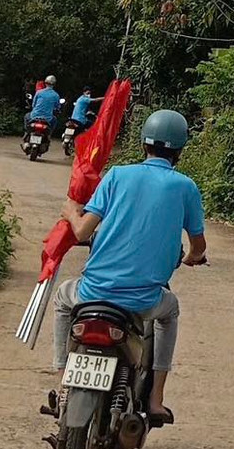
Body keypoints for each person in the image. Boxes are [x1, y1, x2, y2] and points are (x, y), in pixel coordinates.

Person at [53, 109, 207, 429]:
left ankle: (61, 381)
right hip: (143, 301)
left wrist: (70, 210)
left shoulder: (117, 175)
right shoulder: (186, 187)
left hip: (91, 293)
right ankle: (155, 399)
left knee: (62, 299)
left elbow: (82, 232)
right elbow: (198, 245)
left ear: (143, 144)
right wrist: (192, 257)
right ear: (179, 150)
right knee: (170, 312)